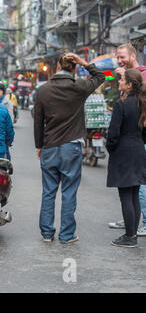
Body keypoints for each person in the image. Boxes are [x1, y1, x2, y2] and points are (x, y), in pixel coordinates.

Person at [34, 53, 105, 243]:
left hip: (49, 146)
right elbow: (101, 77)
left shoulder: (43, 90)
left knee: (48, 191)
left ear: (57, 66)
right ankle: (66, 235)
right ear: (74, 68)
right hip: (71, 147)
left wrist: (39, 146)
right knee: (69, 192)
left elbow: (38, 122)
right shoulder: (79, 87)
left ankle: (47, 233)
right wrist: (84, 62)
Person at [106, 69, 146, 248]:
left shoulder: (121, 104)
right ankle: (133, 233)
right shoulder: (142, 103)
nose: (119, 81)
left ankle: (130, 236)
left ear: (129, 84)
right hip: (138, 150)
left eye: (122, 79)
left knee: (125, 195)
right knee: (134, 194)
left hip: (123, 152)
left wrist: (111, 148)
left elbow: (113, 133)